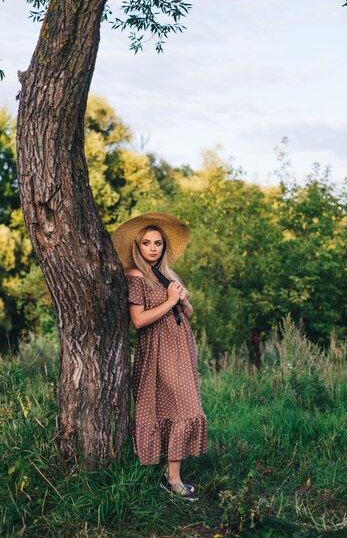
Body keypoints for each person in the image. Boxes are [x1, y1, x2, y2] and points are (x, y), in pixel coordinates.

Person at [112, 212, 208, 501]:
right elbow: (138, 320)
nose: (153, 248)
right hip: (157, 350)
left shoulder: (169, 274)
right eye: (146, 243)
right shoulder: (136, 277)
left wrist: (183, 298)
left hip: (181, 348)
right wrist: (170, 300)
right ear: (137, 247)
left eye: (157, 243)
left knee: (179, 408)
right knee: (183, 408)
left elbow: (188, 314)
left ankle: (171, 473)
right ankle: (173, 479)